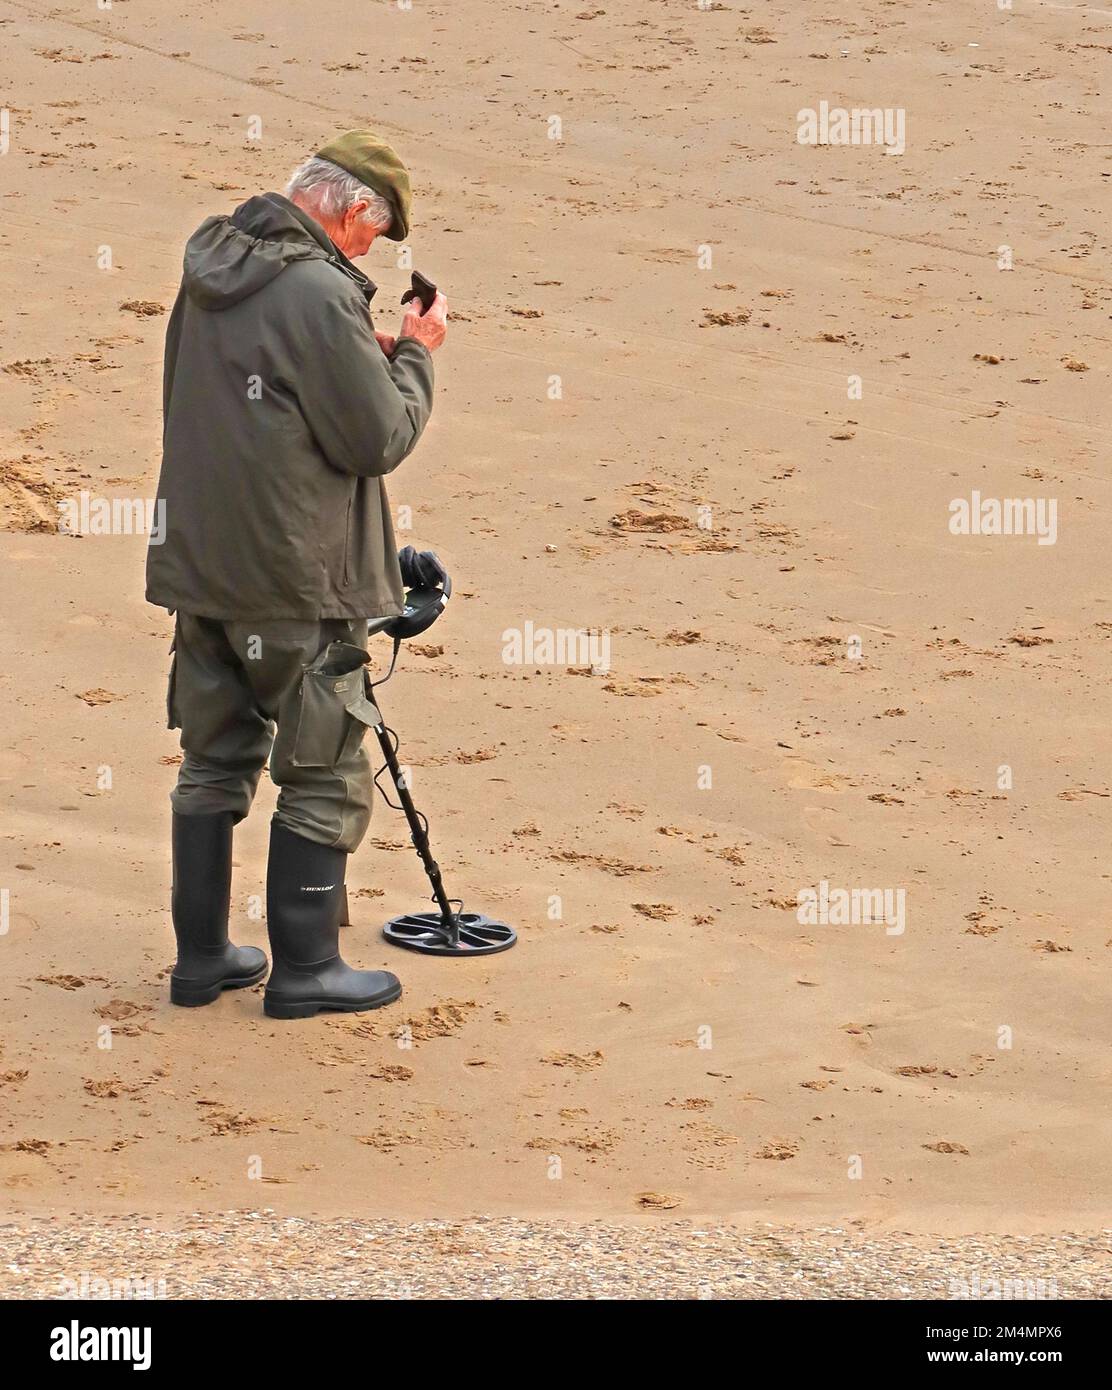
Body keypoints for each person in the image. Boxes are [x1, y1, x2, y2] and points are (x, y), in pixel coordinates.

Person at [145, 130, 447, 1019]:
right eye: (371, 237)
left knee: (212, 761)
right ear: (355, 211)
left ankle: (200, 961)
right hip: (294, 583)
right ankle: (307, 970)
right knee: (322, 772)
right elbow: (378, 438)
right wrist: (419, 350)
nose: (368, 253)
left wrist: (365, 347)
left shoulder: (214, 267)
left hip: (204, 566)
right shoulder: (318, 291)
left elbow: (253, 395)